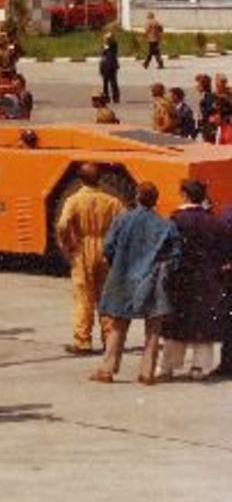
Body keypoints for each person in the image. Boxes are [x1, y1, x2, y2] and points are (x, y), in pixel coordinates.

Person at [92, 182, 179, 385]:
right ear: (156, 200)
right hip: (153, 278)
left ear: (138, 197)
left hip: (123, 276)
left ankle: (108, 369)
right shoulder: (166, 225)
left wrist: (118, 266)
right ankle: (147, 372)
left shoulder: (122, 220)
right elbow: (175, 256)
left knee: (118, 325)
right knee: (153, 328)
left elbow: (108, 247)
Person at [162, 180, 232, 378]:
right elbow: (225, 251)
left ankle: (169, 365)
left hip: (181, 277)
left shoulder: (175, 220)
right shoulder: (215, 222)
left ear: (184, 195)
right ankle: (200, 368)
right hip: (208, 278)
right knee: (203, 324)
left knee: (176, 322)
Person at [54, 164, 124, 356]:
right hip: (106, 248)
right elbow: (124, 225)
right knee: (106, 296)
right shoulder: (113, 202)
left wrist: (67, 245)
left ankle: (83, 340)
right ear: (99, 179)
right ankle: (109, 339)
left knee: (84, 296)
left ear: (80, 179)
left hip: (83, 248)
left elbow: (62, 225)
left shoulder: (74, 200)